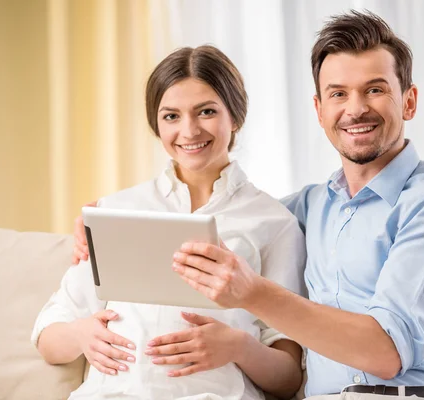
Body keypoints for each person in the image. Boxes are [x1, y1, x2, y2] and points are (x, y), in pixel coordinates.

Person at [74, 10, 424, 400]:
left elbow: (383, 353)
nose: (356, 108)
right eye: (338, 94)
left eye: (376, 89)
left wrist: (253, 293)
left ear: (409, 101)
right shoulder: (311, 207)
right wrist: (100, 222)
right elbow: (242, 219)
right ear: (319, 109)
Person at [33, 45, 306, 400]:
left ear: (235, 117)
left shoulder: (273, 222)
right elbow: (48, 338)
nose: (189, 131)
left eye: (206, 111)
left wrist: (239, 347)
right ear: (156, 124)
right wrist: (82, 335)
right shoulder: (116, 211)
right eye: (171, 116)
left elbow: (288, 378)